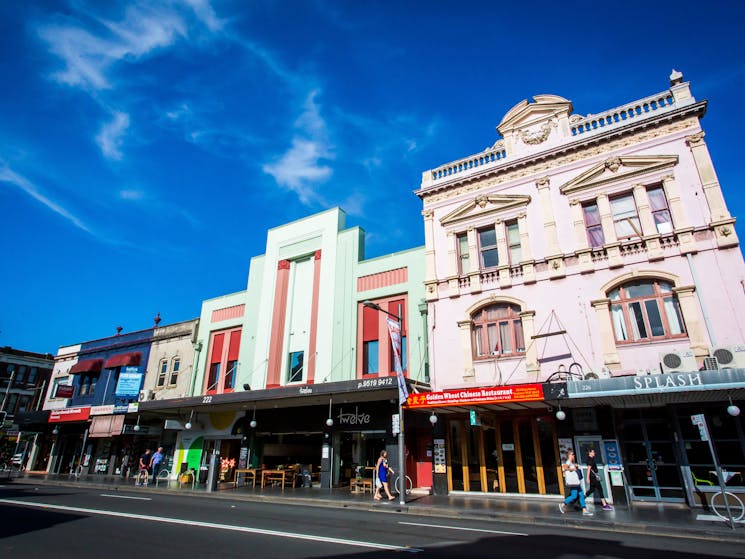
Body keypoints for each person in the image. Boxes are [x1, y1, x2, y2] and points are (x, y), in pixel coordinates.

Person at [559, 450, 592, 516]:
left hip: (576, 482)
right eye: (572, 454)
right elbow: (564, 468)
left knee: (581, 494)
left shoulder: (572, 462)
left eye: (573, 454)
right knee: (574, 495)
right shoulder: (568, 462)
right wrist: (572, 469)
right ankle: (563, 504)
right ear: (569, 455)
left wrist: (575, 466)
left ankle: (584, 509)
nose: (573, 455)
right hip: (573, 482)